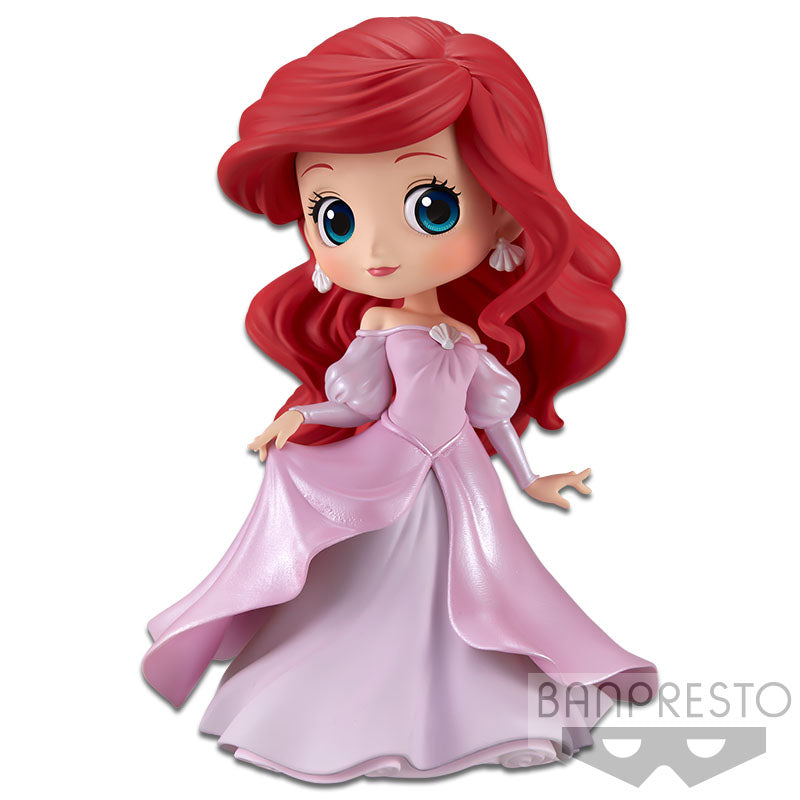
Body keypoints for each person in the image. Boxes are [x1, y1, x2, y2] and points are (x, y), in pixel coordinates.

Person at [142, 16, 657, 782]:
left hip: (463, 481)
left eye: (430, 206)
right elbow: (355, 406)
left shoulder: (469, 341)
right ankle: (340, 712)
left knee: (474, 593)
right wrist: (302, 417)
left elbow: (491, 418)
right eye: (336, 217)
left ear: (501, 209)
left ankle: (467, 710)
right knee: (370, 597)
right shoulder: (379, 328)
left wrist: (530, 479)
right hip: (389, 470)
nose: (376, 251)